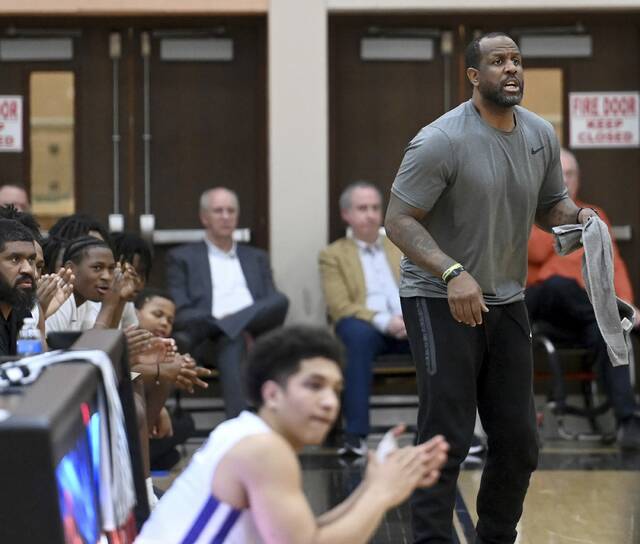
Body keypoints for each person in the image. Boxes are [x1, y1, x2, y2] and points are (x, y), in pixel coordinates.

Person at [384, 32, 599, 543]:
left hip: (506, 299)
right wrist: (451, 272)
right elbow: (399, 220)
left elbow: (551, 207)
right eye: (498, 61)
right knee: (447, 435)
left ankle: (496, 537)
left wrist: (580, 219)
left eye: (517, 61)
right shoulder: (440, 139)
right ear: (474, 76)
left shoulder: (540, 135)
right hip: (439, 298)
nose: (511, 70)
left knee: (520, 441)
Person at [135, 325, 450, 544]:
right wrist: (382, 494)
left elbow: (306, 533)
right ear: (272, 394)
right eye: (314, 386)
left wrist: (370, 487)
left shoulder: (243, 431)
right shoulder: (264, 450)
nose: (329, 402)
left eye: (336, 390)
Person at [526, 148, 640, 448]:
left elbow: (613, 265)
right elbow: (535, 251)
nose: (565, 180)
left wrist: (626, 307)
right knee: (559, 284)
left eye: (570, 174)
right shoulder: (531, 213)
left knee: (609, 330)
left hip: (582, 311)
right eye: (558, 175)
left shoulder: (594, 214)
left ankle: (627, 420)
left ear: (579, 179)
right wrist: (560, 217)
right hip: (540, 305)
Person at [166, 187, 289, 418]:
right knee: (232, 339)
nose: (225, 216)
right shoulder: (182, 258)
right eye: (218, 211)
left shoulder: (256, 257)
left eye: (230, 211)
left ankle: (231, 326)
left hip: (256, 334)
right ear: (204, 217)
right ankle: (240, 423)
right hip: (210, 337)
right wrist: (220, 325)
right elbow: (181, 312)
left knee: (280, 300)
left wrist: (232, 321)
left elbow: (271, 305)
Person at [319, 181, 410, 456]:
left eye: (374, 208)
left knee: (445, 335)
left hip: (408, 324)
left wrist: (410, 319)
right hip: (367, 327)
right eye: (362, 208)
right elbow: (340, 307)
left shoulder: (400, 246)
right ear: (346, 214)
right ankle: (355, 434)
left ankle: (457, 433)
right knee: (354, 334)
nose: (370, 214)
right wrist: (384, 321)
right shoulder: (333, 255)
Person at [0, 219, 40, 355]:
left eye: (31, 260)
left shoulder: (19, 308)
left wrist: (42, 312)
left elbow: (37, 362)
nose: (28, 269)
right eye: (15, 259)